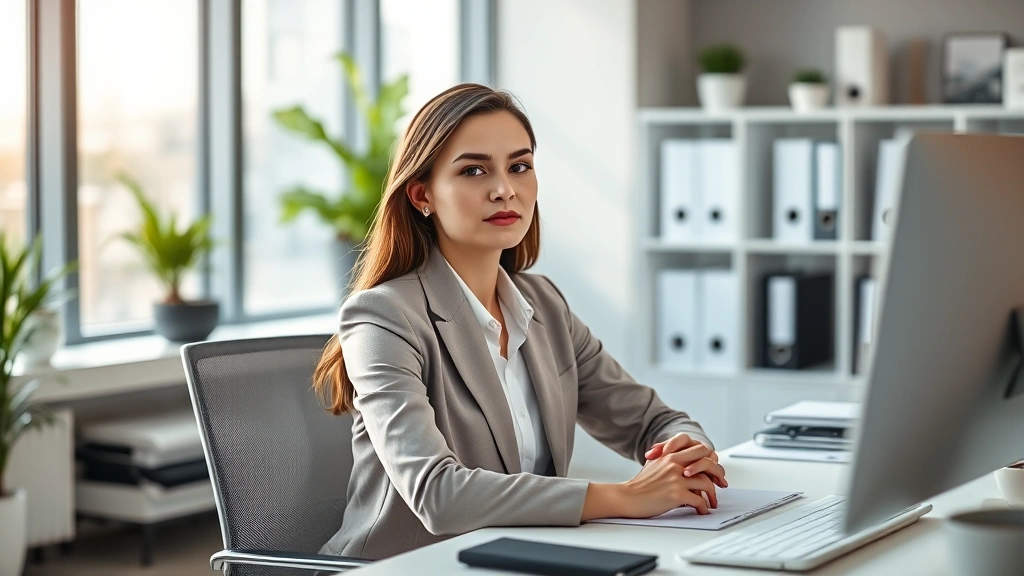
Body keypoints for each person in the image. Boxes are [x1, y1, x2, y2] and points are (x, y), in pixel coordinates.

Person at [317, 83, 727, 560]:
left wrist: (686, 456)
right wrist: (627, 497)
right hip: (406, 566)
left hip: (520, 558)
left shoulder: (544, 305)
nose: (504, 189)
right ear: (422, 194)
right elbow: (437, 494)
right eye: (474, 170)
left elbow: (653, 420)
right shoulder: (384, 317)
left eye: (519, 166)